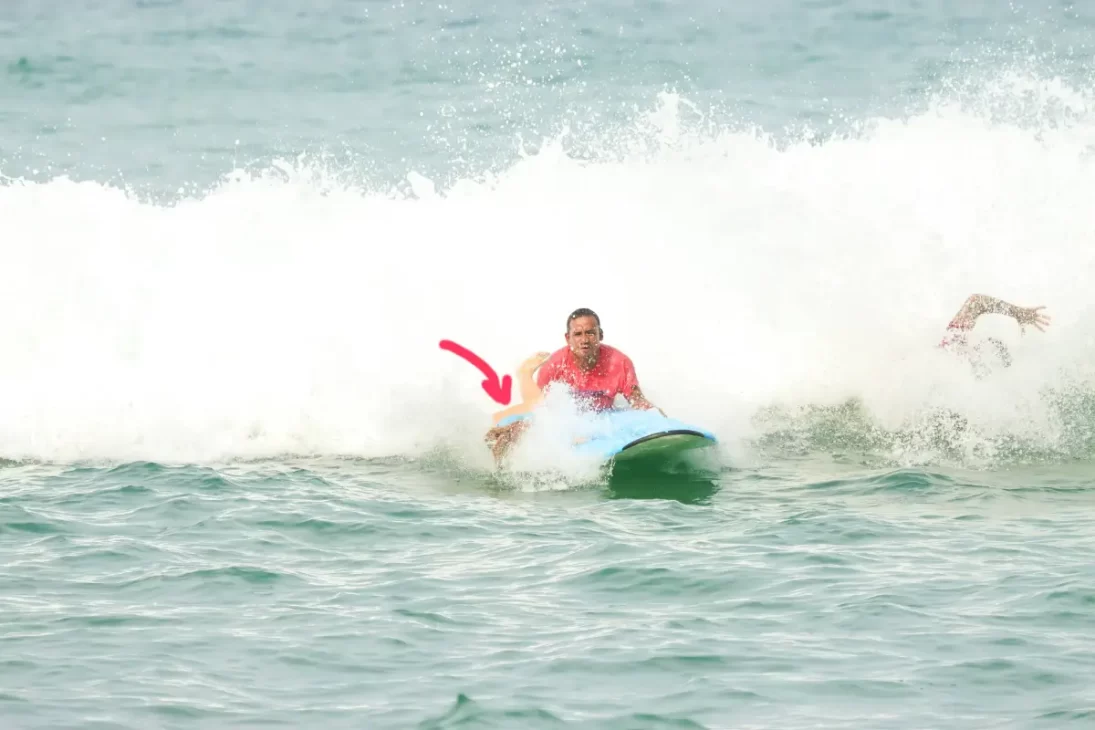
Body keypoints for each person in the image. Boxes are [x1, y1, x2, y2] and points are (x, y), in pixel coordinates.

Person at [484, 308, 662, 461]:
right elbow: (541, 408)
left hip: (603, 415)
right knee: (511, 430)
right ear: (568, 338)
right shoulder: (555, 365)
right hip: (563, 415)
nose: (584, 339)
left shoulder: (619, 362)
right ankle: (524, 374)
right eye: (578, 334)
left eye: (590, 333)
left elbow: (638, 401)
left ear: (600, 334)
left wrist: (661, 419)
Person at [938, 293, 1050, 370]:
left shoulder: (953, 351)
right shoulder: (954, 345)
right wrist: (1018, 313)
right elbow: (977, 301)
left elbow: (976, 301)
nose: (977, 348)